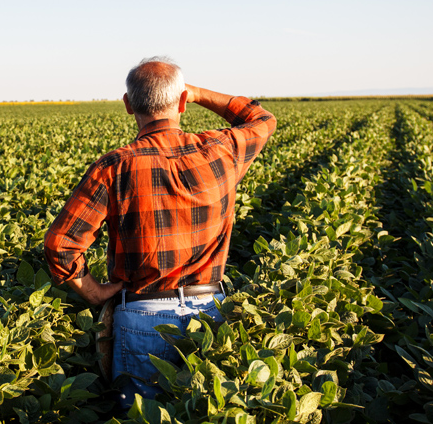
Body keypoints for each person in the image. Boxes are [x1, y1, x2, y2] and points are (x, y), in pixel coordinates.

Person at [43, 56, 276, 407]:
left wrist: (92, 293)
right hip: (210, 314)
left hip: (141, 316)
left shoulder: (114, 166)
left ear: (127, 105)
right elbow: (261, 119)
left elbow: (61, 245)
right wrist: (198, 93)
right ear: (183, 102)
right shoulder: (221, 150)